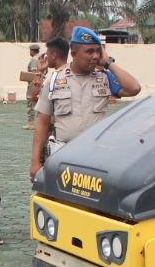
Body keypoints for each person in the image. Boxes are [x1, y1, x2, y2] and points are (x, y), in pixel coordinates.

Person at [30, 26, 142, 181]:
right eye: (89, 52)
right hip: (64, 156)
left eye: (98, 51)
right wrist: (35, 162)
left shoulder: (104, 78)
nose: (95, 56)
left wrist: (108, 63)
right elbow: (42, 123)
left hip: (96, 157)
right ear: (74, 54)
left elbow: (134, 88)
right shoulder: (54, 81)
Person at [24, 42, 41, 130]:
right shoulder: (41, 58)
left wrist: (26, 75)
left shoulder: (34, 59)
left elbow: (34, 73)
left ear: (32, 51)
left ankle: (31, 123)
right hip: (40, 83)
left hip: (33, 83)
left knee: (31, 101)